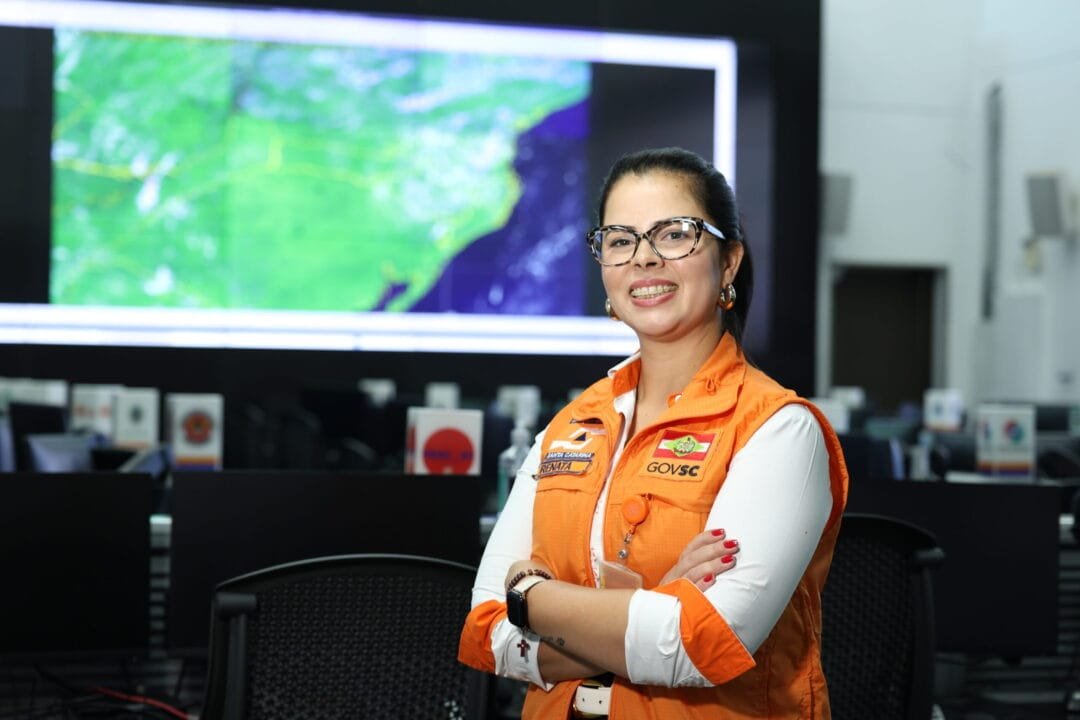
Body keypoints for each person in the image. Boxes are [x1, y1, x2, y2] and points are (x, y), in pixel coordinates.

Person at [459, 147, 849, 719]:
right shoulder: (570, 428)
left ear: (730, 261)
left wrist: (530, 597)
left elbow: (697, 646)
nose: (644, 258)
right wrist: (652, 604)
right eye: (620, 240)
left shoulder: (779, 430)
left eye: (673, 234)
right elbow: (488, 635)